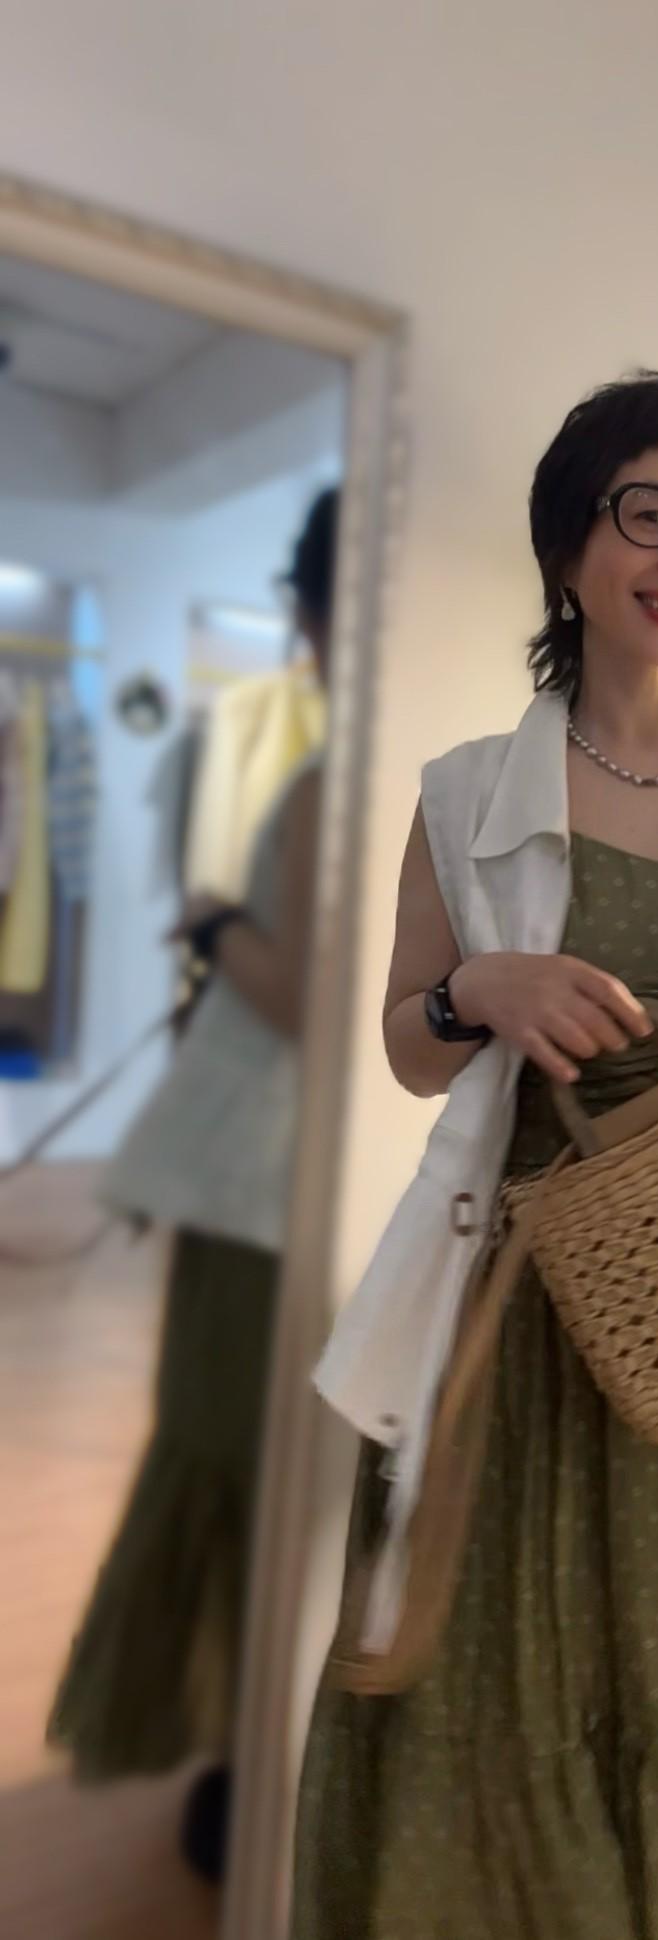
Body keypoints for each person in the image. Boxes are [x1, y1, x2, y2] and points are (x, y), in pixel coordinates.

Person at [293, 374, 658, 1940]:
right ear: (569, 541)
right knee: (488, 1709)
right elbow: (408, 1042)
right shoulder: (460, 795)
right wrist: (474, 990)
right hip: (514, 1331)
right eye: (649, 513)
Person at [47, 486, 340, 1885]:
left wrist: (219, 925)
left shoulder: (336, 782)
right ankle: (258, 1750)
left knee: (232, 1468)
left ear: (310, 610)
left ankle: (246, 1757)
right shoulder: (409, 772)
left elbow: (314, 1001)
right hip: (292, 1186)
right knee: (265, 1475)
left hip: (266, 1188)